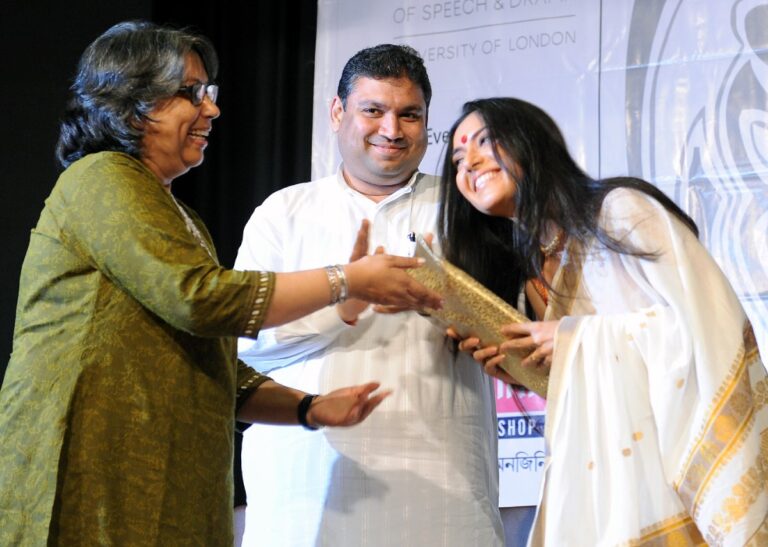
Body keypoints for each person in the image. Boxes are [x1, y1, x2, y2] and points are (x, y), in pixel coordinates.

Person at [0, 22, 444, 546]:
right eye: (192, 93)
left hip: (163, 474)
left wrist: (308, 408)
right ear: (130, 103)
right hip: (93, 468)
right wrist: (346, 281)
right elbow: (201, 299)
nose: (211, 109)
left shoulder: (175, 212)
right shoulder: (100, 177)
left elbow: (211, 359)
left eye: (210, 93)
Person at [440, 97, 768, 545]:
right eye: (458, 160)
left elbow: (708, 327)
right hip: (602, 488)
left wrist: (576, 339)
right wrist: (525, 368)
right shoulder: (530, 273)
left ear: (531, 143)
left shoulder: (620, 212)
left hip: (670, 484)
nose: (470, 164)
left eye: (484, 142)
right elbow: (591, 378)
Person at [235, 44, 505, 546]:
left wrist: (442, 304)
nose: (392, 129)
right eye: (373, 110)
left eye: (410, 114)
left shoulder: (465, 206)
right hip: (305, 487)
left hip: (442, 485)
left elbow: (512, 335)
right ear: (338, 112)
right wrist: (343, 301)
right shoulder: (284, 212)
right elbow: (241, 346)